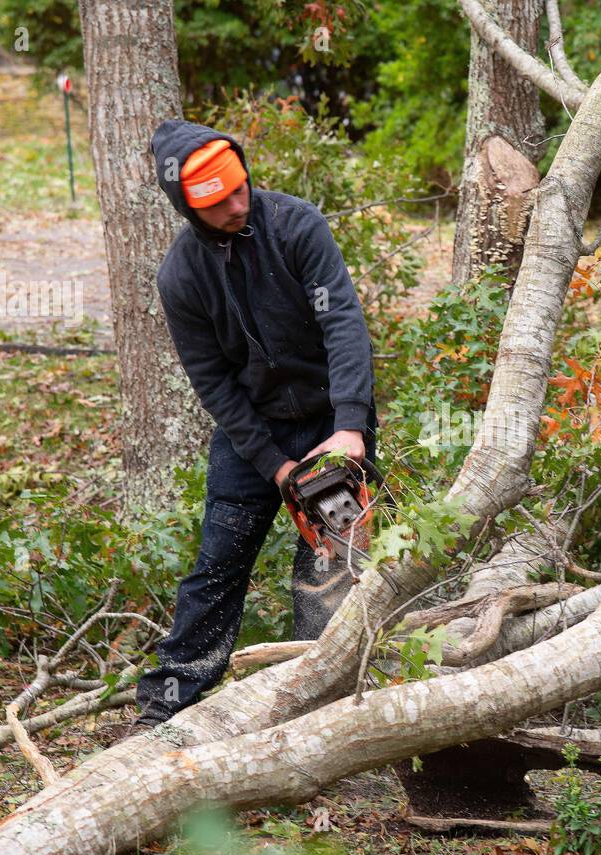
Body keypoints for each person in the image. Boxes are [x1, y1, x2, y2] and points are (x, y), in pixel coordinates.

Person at [116, 119, 378, 739]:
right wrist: (276, 468)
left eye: (240, 191)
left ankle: (322, 706)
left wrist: (348, 426)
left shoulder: (296, 226)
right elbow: (212, 382)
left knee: (333, 563)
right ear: (187, 206)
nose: (236, 207)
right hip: (252, 436)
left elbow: (342, 322)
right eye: (217, 203)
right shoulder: (181, 277)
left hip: (329, 420)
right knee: (219, 563)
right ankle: (168, 706)